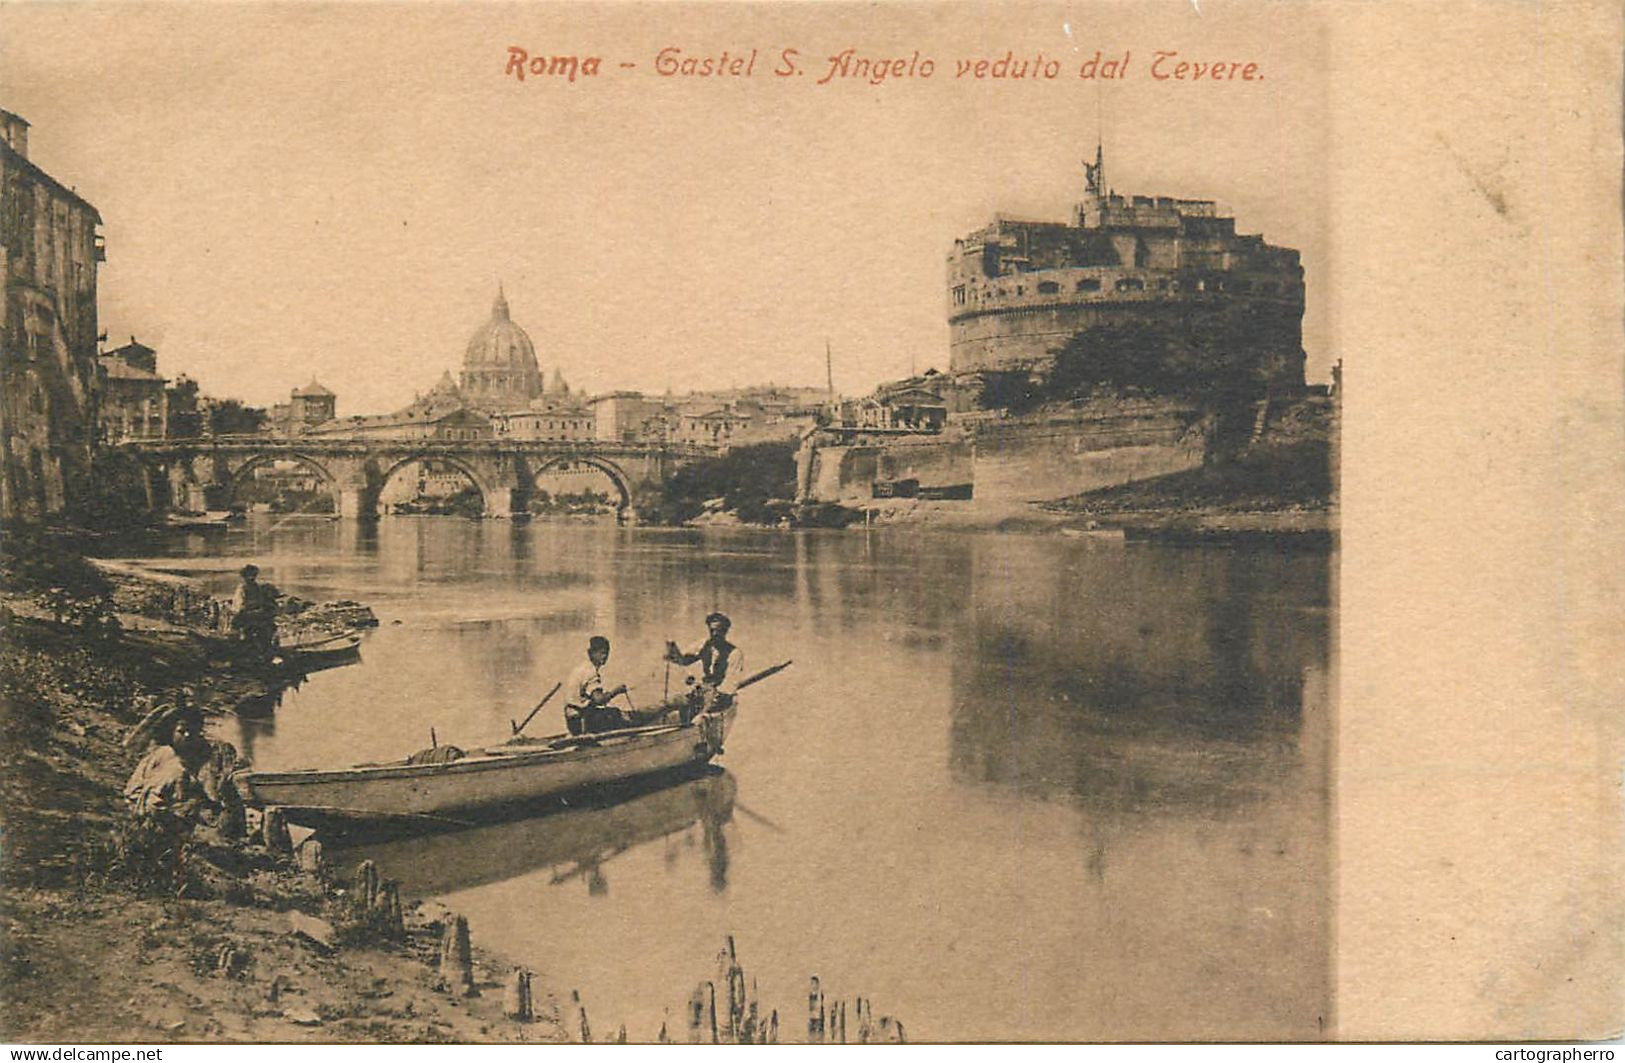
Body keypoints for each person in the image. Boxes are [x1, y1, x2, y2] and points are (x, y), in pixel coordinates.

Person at [124, 694, 245, 840]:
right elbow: (135, 791)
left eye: (192, 731)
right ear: (171, 732)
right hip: (154, 817)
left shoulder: (200, 756)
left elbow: (210, 793)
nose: (187, 735)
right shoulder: (161, 756)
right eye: (182, 731)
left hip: (177, 818)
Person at [665, 612, 744, 722]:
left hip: (719, 696)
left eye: (719, 631)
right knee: (669, 702)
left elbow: (728, 687)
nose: (715, 634)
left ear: (725, 631)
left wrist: (706, 711)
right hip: (702, 690)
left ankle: (693, 724)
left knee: (698, 720)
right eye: (712, 631)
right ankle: (635, 717)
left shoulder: (735, 653)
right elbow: (684, 661)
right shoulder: (704, 644)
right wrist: (673, 652)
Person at [565, 635, 633, 735]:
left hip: (572, 721)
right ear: (591, 653)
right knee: (619, 715)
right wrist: (616, 691)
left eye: (606, 653)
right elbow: (599, 700)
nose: (605, 656)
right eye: (601, 653)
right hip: (582, 722)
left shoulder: (580, 668)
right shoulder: (590, 672)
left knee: (614, 712)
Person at [229, 564, 280, 662]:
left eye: (253, 575)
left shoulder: (256, 587)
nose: (252, 577)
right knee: (249, 633)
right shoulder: (242, 588)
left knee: (267, 629)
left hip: (257, 615)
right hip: (246, 616)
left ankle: (265, 652)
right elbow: (240, 606)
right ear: (244, 577)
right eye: (249, 575)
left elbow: (262, 601)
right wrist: (253, 609)